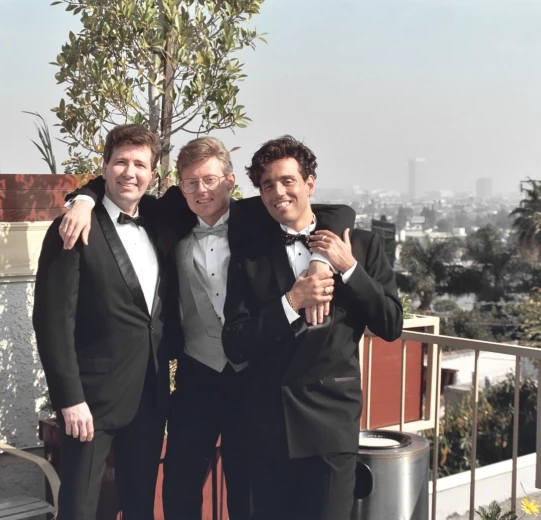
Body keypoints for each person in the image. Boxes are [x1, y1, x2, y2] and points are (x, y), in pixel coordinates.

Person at [59, 136, 354, 520]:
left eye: (211, 180)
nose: (202, 190)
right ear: (180, 186)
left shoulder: (257, 217)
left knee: (246, 491)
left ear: (230, 180)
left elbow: (339, 212)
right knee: (180, 486)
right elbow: (122, 179)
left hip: (251, 380)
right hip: (196, 375)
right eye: (191, 182)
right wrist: (82, 199)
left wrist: (318, 259)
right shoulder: (169, 216)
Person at [222, 135, 404, 520]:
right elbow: (235, 343)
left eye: (288, 180)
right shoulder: (249, 257)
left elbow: (390, 325)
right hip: (267, 423)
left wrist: (348, 267)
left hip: (330, 424)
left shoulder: (362, 245)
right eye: (268, 184)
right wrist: (292, 302)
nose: (278, 192)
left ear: (310, 184)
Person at [33, 124, 181, 520]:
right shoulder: (72, 227)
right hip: (90, 404)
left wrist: (84, 193)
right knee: (80, 509)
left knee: (140, 507)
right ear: (104, 167)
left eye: (139, 164)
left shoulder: (157, 219)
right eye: (120, 162)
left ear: (152, 174)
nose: (129, 172)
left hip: (149, 397)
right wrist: (69, 399)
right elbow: (51, 321)